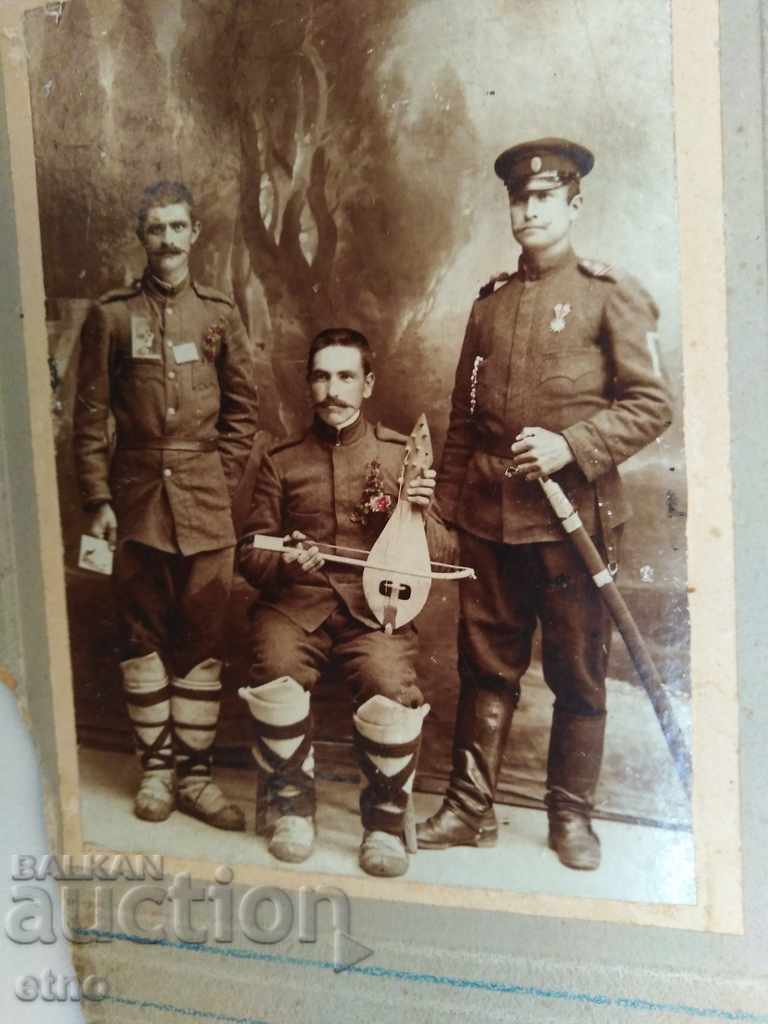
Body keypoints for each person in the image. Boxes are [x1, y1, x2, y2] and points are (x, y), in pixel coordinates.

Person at [416, 138, 673, 870]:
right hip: (489, 522)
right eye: (519, 200)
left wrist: (572, 445)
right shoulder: (490, 304)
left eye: (544, 198)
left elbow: (652, 404)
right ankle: (470, 810)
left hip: (571, 525)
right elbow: (464, 416)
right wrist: (446, 512)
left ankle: (571, 816)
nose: (529, 210)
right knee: (485, 668)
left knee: (577, 674)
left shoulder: (609, 293)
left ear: (573, 204)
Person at [74, 180, 259, 831]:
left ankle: (196, 778)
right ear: (141, 236)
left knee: (204, 638)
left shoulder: (219, 314)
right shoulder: (112, 315)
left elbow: (244, 411)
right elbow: (89, 416)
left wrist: (218, 479)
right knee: (141, 634)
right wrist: (98, 498)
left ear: (195, 234)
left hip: (207, 505)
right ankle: (156, 771)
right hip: (136, 501)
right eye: (156, 228)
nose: (168, 240)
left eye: (178, 227)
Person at [237, 327, 453, 878]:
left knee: (389, 685)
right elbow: (250, 556)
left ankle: (383, 825)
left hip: (375, 612)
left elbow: (445, 554)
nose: (332, 390)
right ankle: (293, 810)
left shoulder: (403, 454)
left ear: (368, 384)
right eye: (321, 376)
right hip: (295, 606)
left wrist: (418, 513)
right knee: (276, 671)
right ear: (308, 383)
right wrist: (287, 562)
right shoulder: (280, 460)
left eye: (345, 377)